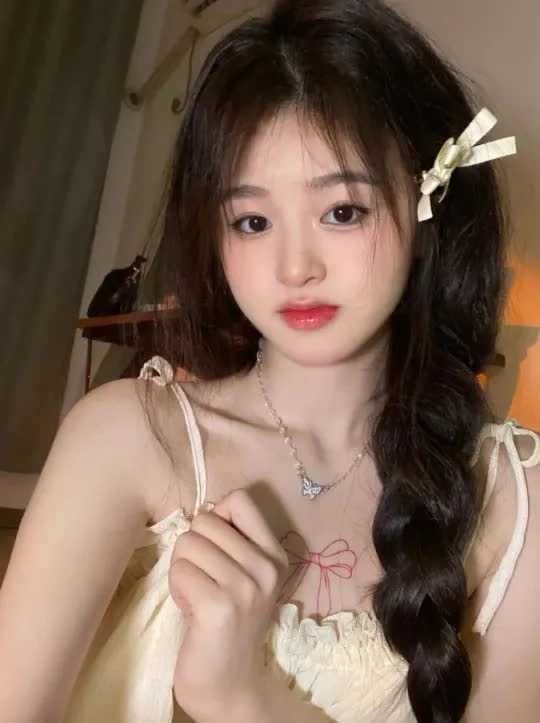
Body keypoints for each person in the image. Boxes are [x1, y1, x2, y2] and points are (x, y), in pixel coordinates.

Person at [0, 1, 538, 721]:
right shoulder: (127, 438)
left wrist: (241, 695)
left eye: (341, 211)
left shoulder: (513, 498)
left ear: (424, 208)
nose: (294, 268)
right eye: (252, 221)